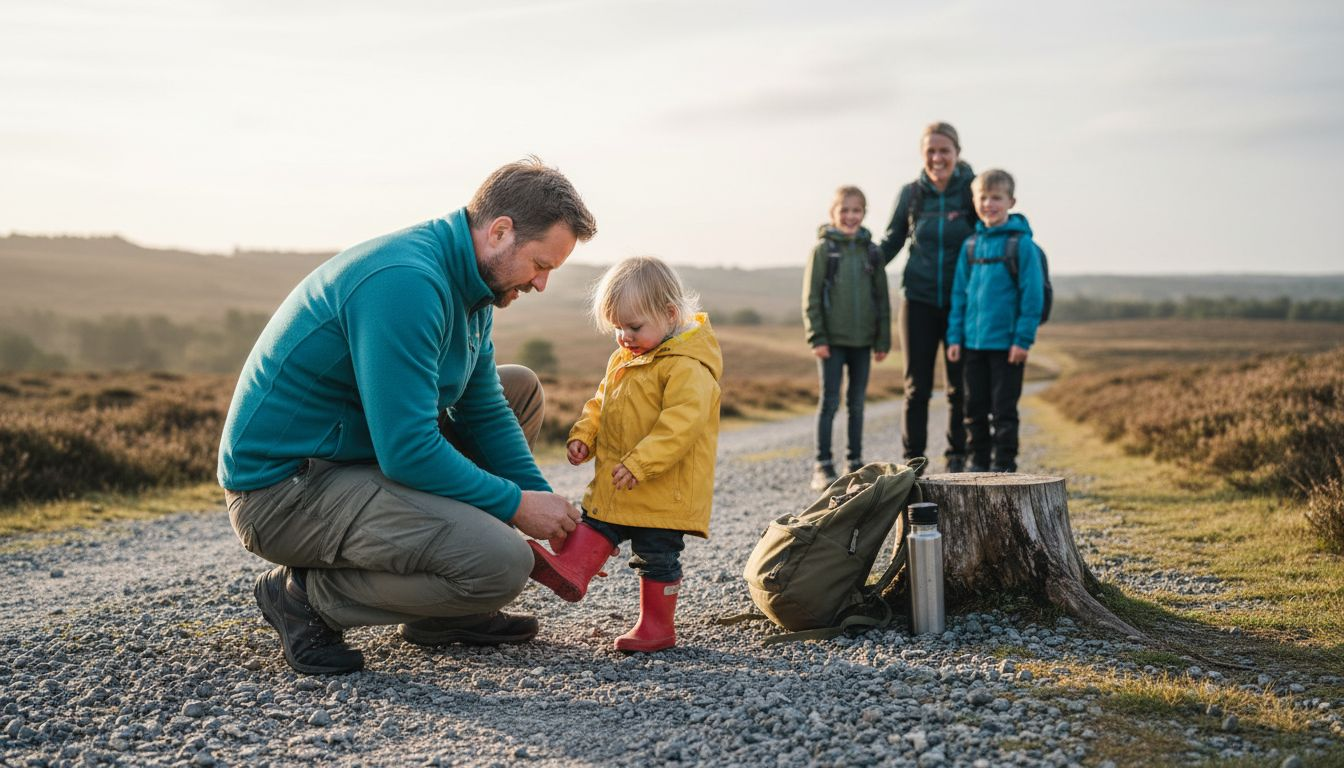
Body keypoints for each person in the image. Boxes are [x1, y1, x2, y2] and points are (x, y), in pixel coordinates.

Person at [217, 158, 597, 675]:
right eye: (541, 264)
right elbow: (408, 450)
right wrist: (514, 506)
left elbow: (484, 408)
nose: (541, 284)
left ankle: (444, 615)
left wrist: (547, 510)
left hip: (357, 456)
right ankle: (304, 597)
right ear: (499, 231)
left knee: (517, 389)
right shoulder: (406, 283)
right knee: (502, 563)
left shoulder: (474, 287)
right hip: (284, 491)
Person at [528, 256, 722, 653]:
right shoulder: (625, 358)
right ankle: (573, 569)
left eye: (633, 327)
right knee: (597, 522)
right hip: (621, 481)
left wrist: (641, 463)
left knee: (656, 556)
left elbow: (682, 425)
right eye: (617, 327)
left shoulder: (687, 367)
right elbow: (602, 402)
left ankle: (656, 628)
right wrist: (585, 435)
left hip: (663, 488)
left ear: (669, 314)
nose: (623, 337)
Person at [879, 122, 977, 473]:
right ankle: (914, 465)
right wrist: (859, 263)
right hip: (916, 300)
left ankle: (957, 459)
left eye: (944, 151)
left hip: (961, 303)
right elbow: (891, 241)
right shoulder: (911, 194)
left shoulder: (972, 192)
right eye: (930, 151)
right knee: (916, 388)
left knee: (960, 388)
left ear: (957, 153)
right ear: (923, 155)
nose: (937, 158)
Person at [946, 169, 1045, 473]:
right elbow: (959, 294)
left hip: (1007, 346)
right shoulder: (971, 245)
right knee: (973, 409)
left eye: (996, 198)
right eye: (983, 197)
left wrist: (1022, 339)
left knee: (1003, 411)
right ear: (974, 201)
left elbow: (1032, 296)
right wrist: (954, 336)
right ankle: (978, 463)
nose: (989, 204)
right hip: (973, 344)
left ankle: (1004, 466)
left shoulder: (1022, 245)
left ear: (1011, 201)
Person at [802, 186, 891, 490]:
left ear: (864, 213)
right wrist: (817, 337)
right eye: (845, 210)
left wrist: (882, 339)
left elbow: (882, 298)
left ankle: (854, 464)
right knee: (829, 402)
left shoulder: (872, 251)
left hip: (863, 341)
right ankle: (822, 465)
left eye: (857, 211)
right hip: (831, 341)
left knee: (857, 403)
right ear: (833, 213)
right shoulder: (823, 250)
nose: (851, 216)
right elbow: (811, 297)